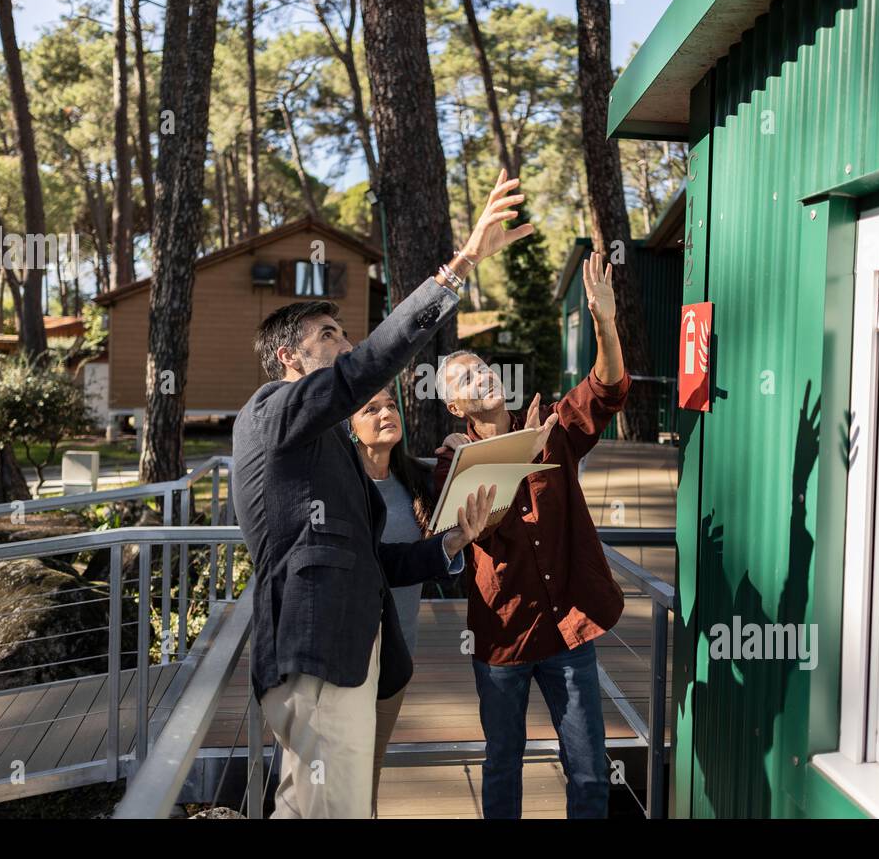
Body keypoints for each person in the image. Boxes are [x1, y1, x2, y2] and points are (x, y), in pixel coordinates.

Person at [232, 170, 533, 819]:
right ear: (288, 357)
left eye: (344, 336)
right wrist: (461, 267)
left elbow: (381, 562)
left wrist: (455, 537)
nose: (345, 346)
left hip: (359, 653)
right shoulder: (272, 412)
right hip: (316, 651)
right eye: (329, 338)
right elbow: (369, 365)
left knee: (327, 811)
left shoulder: (327, 449)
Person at [433, 252, 630, 819]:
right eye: (468, 377)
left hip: (569, 629)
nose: (484, 376)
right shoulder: (452, 464)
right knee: (502, 770)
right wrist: (515, 460)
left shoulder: (551, 431)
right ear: (454, 403)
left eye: (485, 367)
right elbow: (479, 527)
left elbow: (606, 389)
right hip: (502, 640)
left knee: (591, 773)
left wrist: (604, 325)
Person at [347, 387, 442, 815]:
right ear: (349, 429)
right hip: (345, 658)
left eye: (390, 405)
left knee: (371, 766)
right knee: (340, 771)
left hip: (398, 653)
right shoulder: (341, 489)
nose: (387, 412)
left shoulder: (415, 480)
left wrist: (465, 447)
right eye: (371, 408)